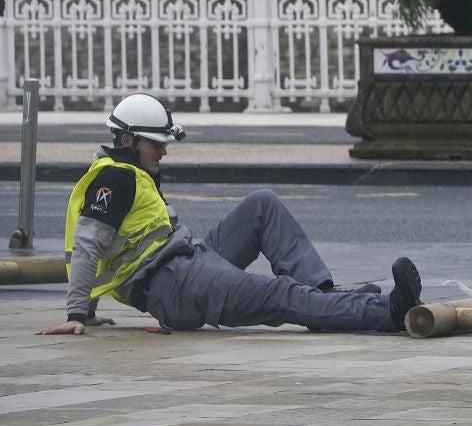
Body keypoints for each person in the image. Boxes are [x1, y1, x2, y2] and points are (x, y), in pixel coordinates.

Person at [38, 93, 422, 337]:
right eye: (157, 144)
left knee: (262, 204)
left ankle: (323, 301)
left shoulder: (130, 172)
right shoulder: (113, 179)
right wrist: (77, 312)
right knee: (279, 294)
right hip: (173, 287)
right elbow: (87, 246)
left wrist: (88, 310)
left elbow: (104, 246)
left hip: (189, 262)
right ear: (128, 141)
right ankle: (388, 312)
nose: (164, 152)